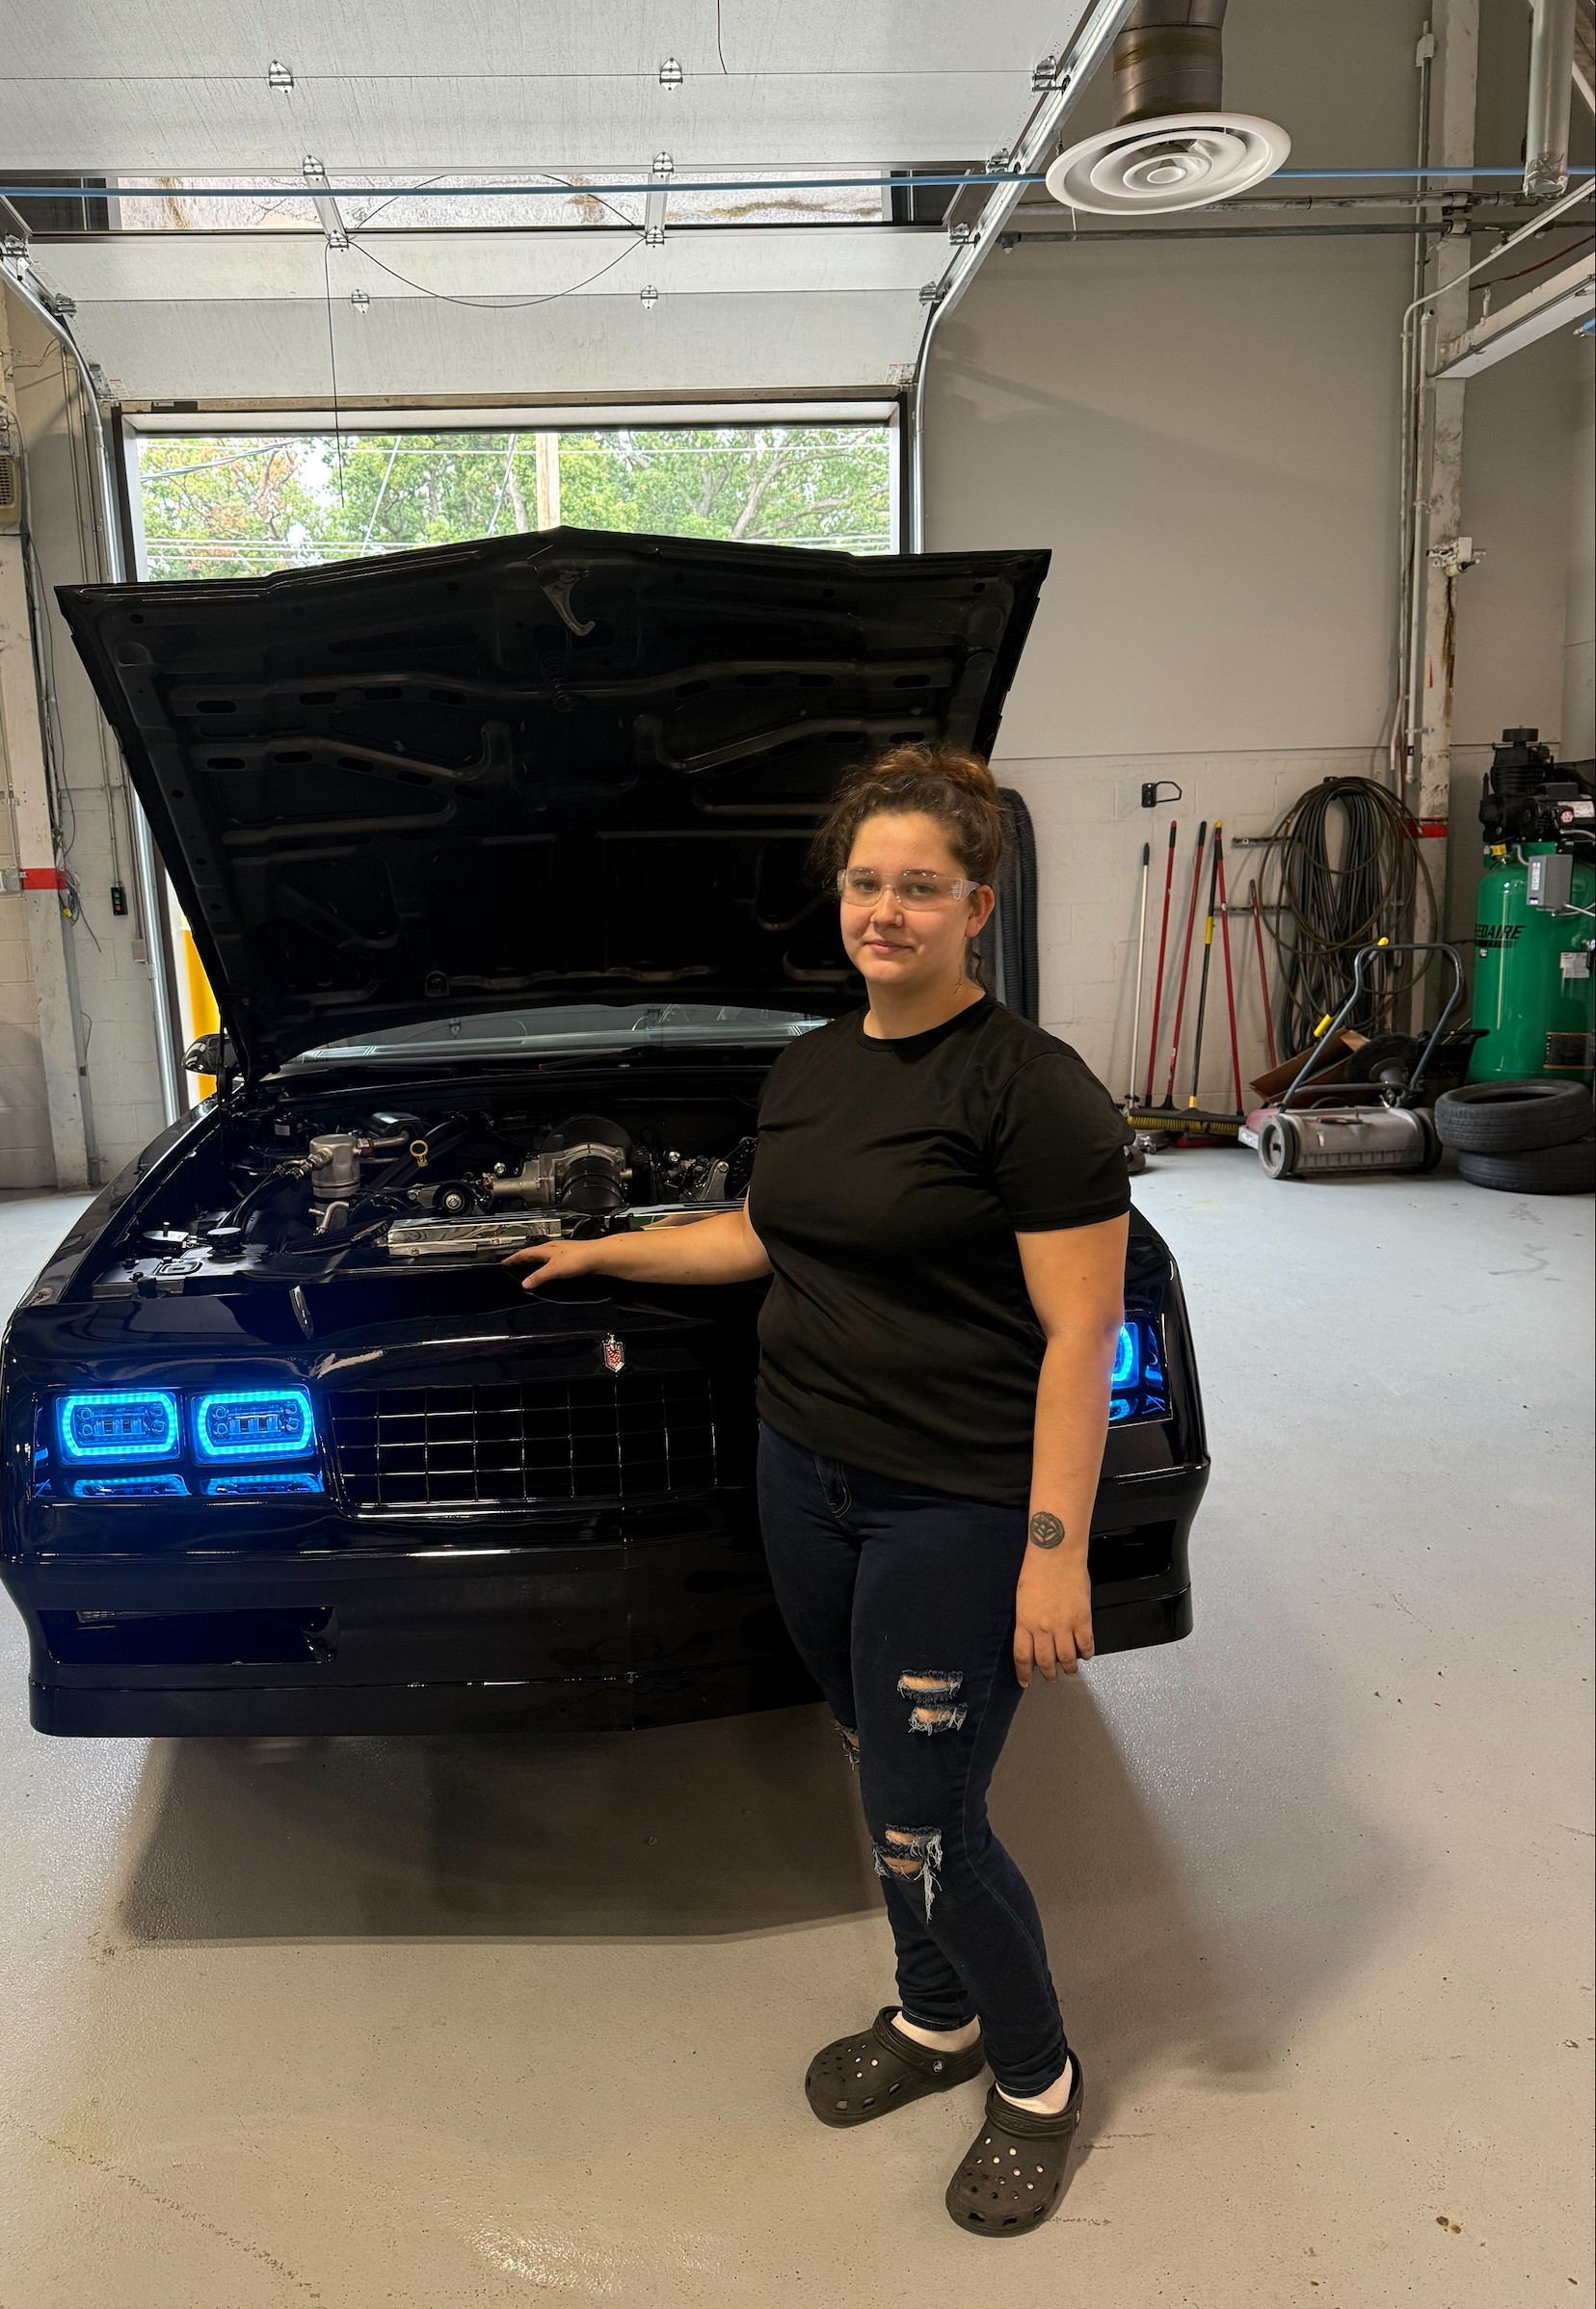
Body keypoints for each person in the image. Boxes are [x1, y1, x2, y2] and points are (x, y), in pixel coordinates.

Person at [508, 743, 1131, 2235]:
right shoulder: (811, 1066)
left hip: (956, 1502)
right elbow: (768, 1236)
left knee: (930, 1817)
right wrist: (609, 1250)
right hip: (811, 1479)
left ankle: (1037, 2081)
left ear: (978, 906)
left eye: (922, 887)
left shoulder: (1031, 1090)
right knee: (876, 1766)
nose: (888, 911)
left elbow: (1081, 1334)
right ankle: (935, 2023)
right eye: (867, 882)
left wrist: (1055, 1551)